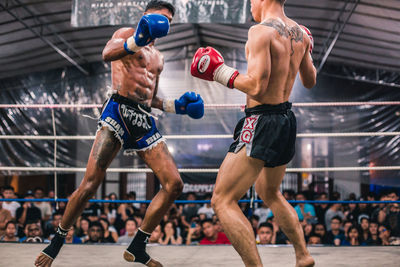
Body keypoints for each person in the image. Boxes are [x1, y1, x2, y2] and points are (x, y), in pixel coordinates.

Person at [35, 1, 204, 267]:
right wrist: (136, 40)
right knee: (90, 183)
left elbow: (151, 99)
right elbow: (106, 54)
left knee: (174, 184)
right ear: (146, 16)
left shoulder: (159, 57)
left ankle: (138, 245)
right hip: (117, 110)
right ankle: (56, 242)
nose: (166, 22)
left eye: (169, 19)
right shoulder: (126, 34)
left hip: (143, 117)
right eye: (161, 17)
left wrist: (176, 106)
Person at [190, 0, 316, 266]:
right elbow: (310, 80)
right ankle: (303, 256)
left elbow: (257, 86)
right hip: (285, 119)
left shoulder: (260, 32)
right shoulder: (301, 34)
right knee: (270, 193)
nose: (250, 5)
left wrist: (219, 72)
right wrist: (307, 49)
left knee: (222, 200)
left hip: (261, 121)